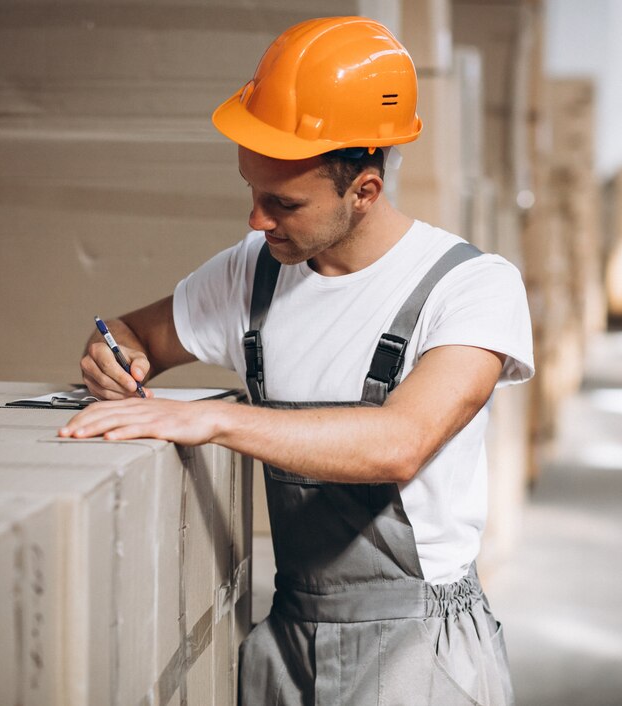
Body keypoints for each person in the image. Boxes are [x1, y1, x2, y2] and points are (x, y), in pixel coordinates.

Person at [59, 15, 533, 706]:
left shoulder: (470, 287)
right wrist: (115, 355)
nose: (256, 220)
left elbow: (399, 444)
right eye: (251, 192)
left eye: (281, 203)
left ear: (364, 190)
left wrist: (217, 422)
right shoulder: (251, 275)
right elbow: (134, 333)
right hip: (288, 635)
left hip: (415, 650)